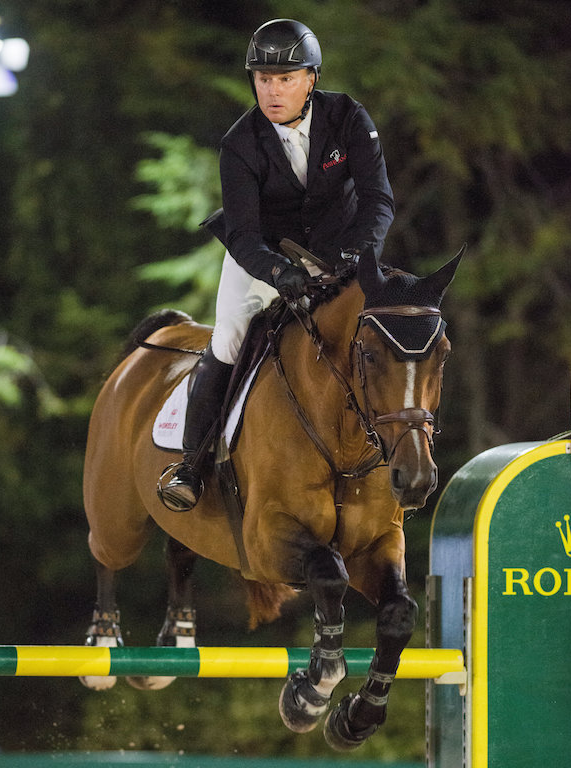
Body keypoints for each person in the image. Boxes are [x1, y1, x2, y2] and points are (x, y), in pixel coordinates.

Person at [159, 18, 395, 513]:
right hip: (264, 254)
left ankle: (404, 447)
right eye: (263, 79)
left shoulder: (349, 117)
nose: (272, 90)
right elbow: (243, 234)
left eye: (285, 78)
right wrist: (275, 272)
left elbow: (377, 202)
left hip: (342, 250)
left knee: (390, 327)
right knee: (229, 333)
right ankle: (191, 463)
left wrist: (354, 255)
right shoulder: (240, 143)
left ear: (311, 79)